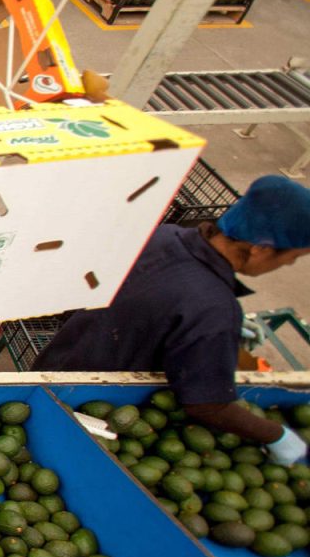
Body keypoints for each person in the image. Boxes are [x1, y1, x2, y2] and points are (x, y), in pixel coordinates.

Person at [36, 175, 310, 465]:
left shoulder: (164, 235)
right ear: (261, 248)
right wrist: (276, 435)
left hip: (59, 360)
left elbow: (154, 301)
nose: (287, 265)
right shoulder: (214, 308)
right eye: (292, 258)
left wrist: (207, 332)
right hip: (93, 402)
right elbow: (206, 404)